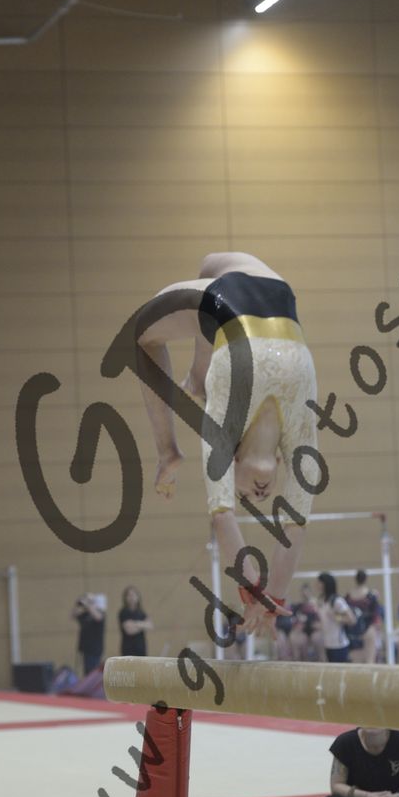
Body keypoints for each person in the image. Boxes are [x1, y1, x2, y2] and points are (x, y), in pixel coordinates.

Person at [133, 252, 318, 638]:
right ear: (281, 459)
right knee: (208, 275)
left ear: (232, 463)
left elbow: (222, 516)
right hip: (262, 286)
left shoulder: (224, 428)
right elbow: (296, 522)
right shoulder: (299, 434)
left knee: (143, 336)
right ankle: (196, 377)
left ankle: (168, 451)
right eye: (262, 497)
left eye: (244, 495)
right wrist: (272, 597)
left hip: (222, 299)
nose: (258, 495)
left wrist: (254, 595)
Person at [315, 572, 356, 663]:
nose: (316, 585)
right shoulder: (321, 600)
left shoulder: (337, 601)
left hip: (339, 645)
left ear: (325, 584)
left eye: (319, 583)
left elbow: (352, 619)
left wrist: (336, 617)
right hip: (327, 644)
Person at [347, 569, 383, 664]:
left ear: (355, 579)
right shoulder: (370, 596)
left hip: (354, 630)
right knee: (369, 661)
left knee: (356, 661)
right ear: (366, 579)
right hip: (367, 628)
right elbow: (376, 613)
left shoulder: (349, 596)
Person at [72, 593, 106, 674]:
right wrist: (78, 603)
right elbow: (73, 615)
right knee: (87, 672)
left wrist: (88, 603)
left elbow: (98, 618)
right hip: (85, 648)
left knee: (93, 673)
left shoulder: (100, 613)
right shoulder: (85, 614)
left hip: (95, 649)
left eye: (90, 601)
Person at [118, 586, 153, 657]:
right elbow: (129, 631)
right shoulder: (123, 612)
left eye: (134, 595)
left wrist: (134, 624)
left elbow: (150, 626)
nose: (132, 597)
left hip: (141, 648)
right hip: (128, 649)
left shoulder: (141, 612)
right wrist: (143, 625)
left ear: (138, 597)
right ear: (125, 598)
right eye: (129, 595)